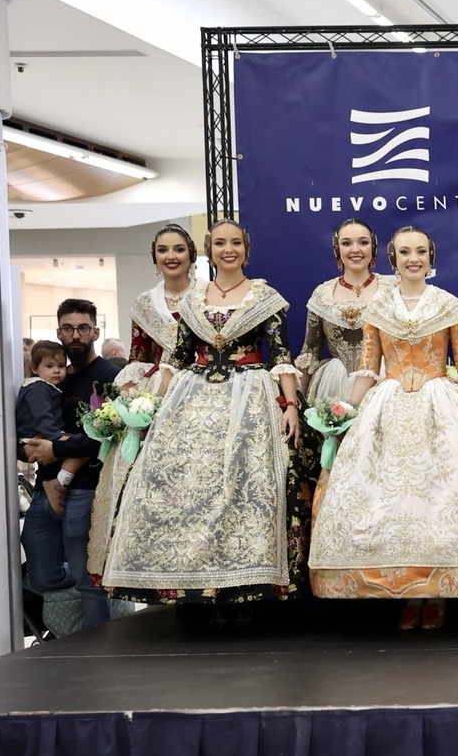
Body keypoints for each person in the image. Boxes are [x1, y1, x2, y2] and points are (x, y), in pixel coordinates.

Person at [102, 219, 307, 617]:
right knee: (191, 489)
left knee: (243, 489)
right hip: (192, 399)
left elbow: (282, 356)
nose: (228, 250)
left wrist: (291, 406)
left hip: (250, 398)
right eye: (219, 244)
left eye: (235, 243)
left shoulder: (265, 297)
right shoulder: (194, 300)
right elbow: (176, 360)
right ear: (209, 251)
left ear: (246, 249)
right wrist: (152, 406)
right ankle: (197, 589)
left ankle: (243, 590)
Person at [309, 226, 458, 629]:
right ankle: (403, 591)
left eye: (420, 252)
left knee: (439, 497)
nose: (413, 259)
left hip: (440, 404)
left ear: (431, 258)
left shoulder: (448, 303)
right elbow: (367, 368)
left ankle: (437, 593)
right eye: (404, 252)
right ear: (393, 259)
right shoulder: (378, 307)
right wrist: (348, 414)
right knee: (389, 498)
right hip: (389, 403)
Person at [87, 222, 204, 587]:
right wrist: (132, 401)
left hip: (200, 391)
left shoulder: (207, 296)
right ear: (154, 257)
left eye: (178, 249)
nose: (171, 256)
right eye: (163, 250)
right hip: (155, 394)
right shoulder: (143, 303)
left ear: (191, 255)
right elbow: (139, 356)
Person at [19, 298, 120, 632]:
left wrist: (57, 449)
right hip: (45, 486)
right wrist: (27, 449)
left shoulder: (109, 375)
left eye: (82, 328)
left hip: (86, 489)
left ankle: (99, 648)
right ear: (58, 331)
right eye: (68, 328)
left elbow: (108, 434)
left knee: (88, 580)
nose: (75, 335)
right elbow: (27, 428)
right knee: (41, 574)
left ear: (95, 332)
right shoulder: (52, 379)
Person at [296, 217, 389, 405]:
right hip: (333, 384)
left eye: (363, 242)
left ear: (373, 247)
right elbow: (310, 351)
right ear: (337, 249)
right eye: (346, 243)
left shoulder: (392, 289)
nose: (355, 249)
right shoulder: (322, 294)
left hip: (382, 381)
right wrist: (296, 402)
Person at [17, 340, 89, 515]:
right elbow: (42, 417)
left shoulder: (45, 386)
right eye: (49, 366)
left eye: (61, 366)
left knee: (79, 445)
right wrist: (57, 437)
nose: (56, 370)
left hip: (41, 433)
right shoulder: (38, 388)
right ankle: (59, 485)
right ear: (35, 368)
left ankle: (58, 484)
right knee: (81, 446)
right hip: (38, 435)